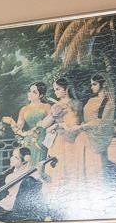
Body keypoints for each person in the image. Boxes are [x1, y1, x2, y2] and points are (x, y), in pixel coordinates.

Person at [43, 77, 102, 209]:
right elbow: (44, 124)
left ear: (67, 89)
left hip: (72, 141)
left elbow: (78, 122)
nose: (56, 92)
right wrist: (53, 116)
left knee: (69, 170)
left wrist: (65, 123)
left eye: (58, 89)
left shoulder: (76, 104)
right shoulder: (55, 106)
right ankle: (55, 203)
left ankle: (71, 202)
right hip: (57, 141)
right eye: (54, 89)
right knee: (57, 170)